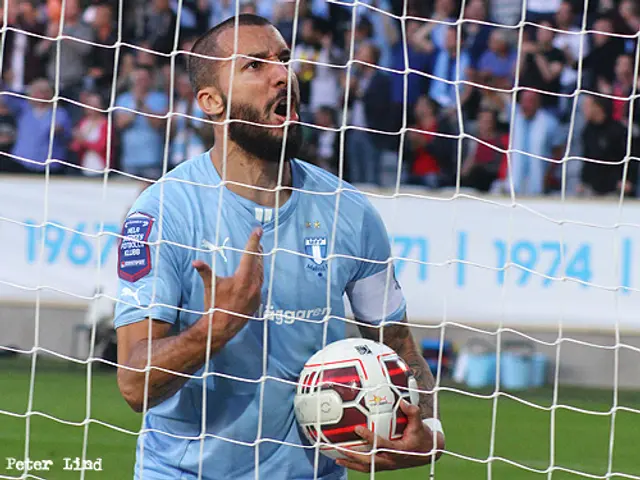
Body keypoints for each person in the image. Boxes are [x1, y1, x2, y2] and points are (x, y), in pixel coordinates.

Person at [113, 14, 445, 480]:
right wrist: (218, 328)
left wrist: (427, 427)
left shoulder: (348, 210)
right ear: (211, 101)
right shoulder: (164, 212)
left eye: (284, 59)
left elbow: (397, 345)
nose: (282, 75)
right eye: (254, 65)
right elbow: (133, 383)